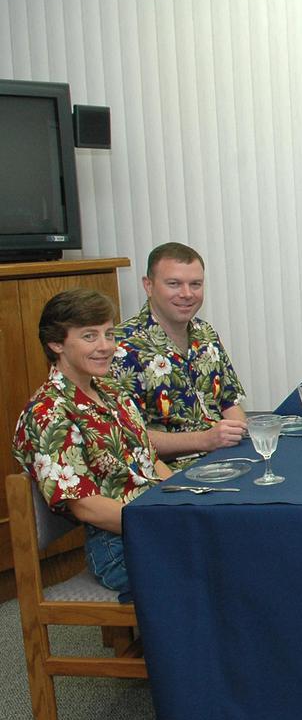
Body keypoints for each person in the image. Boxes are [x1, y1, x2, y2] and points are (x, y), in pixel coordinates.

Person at [13, 289, 172, 599]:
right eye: (90, 336)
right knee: (216, 569)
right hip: (116, 544)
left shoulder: (112, 393)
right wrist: (164, 523)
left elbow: (152, 463)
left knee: (234, 545)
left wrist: (187, 505)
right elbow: (85, 506)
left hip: (154, 517)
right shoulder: (48, 413)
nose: (106, 346)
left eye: (109, 334)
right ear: (56, 343)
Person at [112, 242, 248, 468]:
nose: (187, 294)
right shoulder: (121, 348)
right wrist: (204, 440)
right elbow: (127, 438)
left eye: (195, 284)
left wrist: (241, 435)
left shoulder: (206, 334)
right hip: (169, 474)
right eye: (174, 284)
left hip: (226, 460)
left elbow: (229, 403)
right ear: (148, 285)